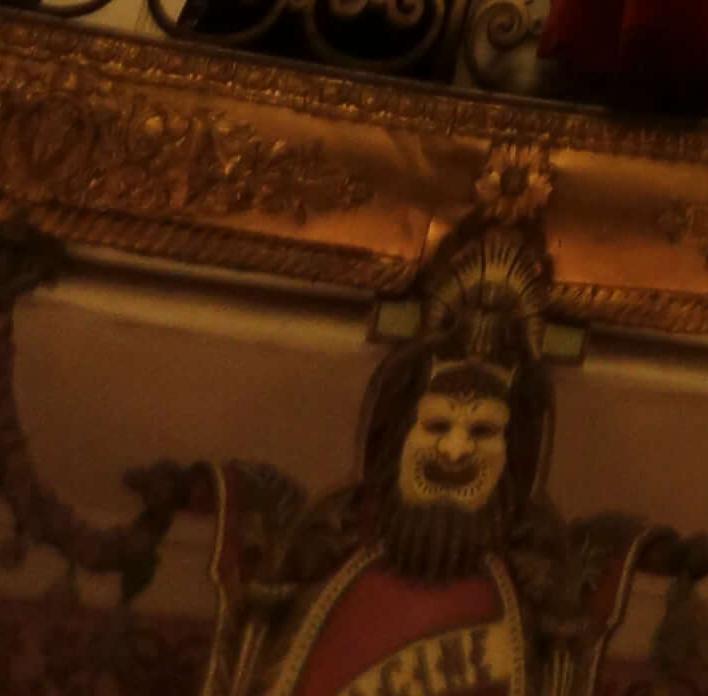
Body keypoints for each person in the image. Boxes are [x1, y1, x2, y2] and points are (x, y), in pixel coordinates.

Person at [196, 212, 668, 696]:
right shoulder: (315, 549)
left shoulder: (538, 588)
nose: (456, 449)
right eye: (438, 425)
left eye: (483, 431)